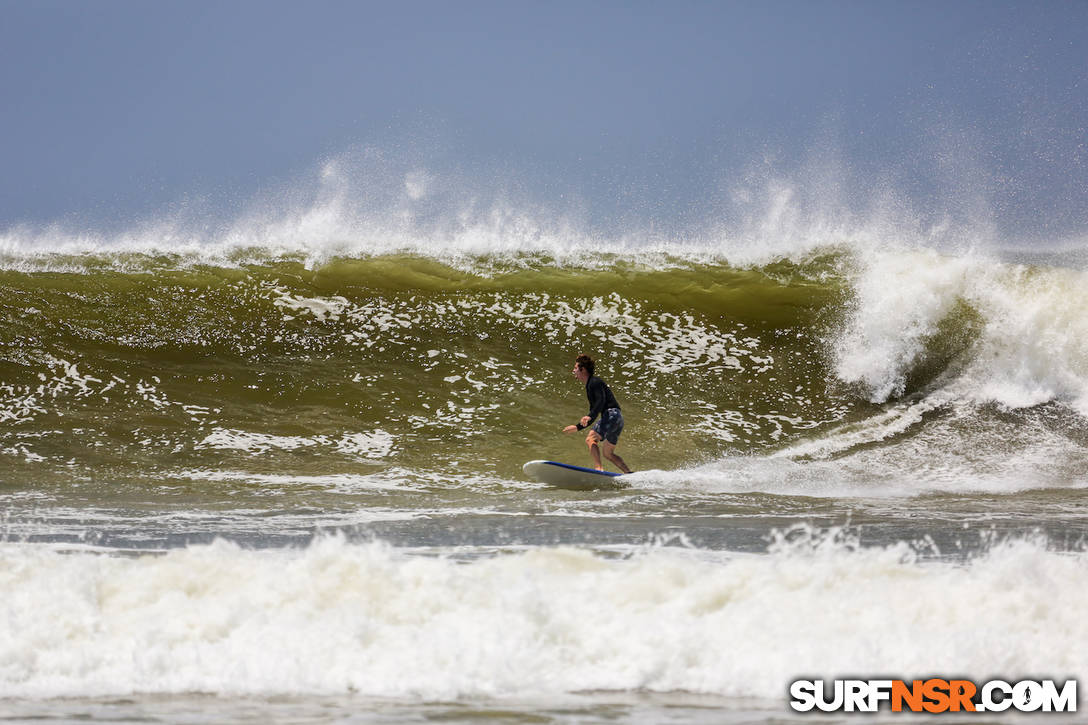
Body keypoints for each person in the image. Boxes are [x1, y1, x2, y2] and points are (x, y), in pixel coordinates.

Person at [563, 354, 633, 473]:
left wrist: (590, 415)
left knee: (590, 439)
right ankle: (629, 473)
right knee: (608, 453)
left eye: (575, 368)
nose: (573, 370)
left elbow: (601, 401)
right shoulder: (591, 385)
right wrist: (577, 427)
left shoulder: (594, 382)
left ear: (582, 369)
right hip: (617, 417)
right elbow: (594, 411)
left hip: (611, 415)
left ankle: (598, 469)